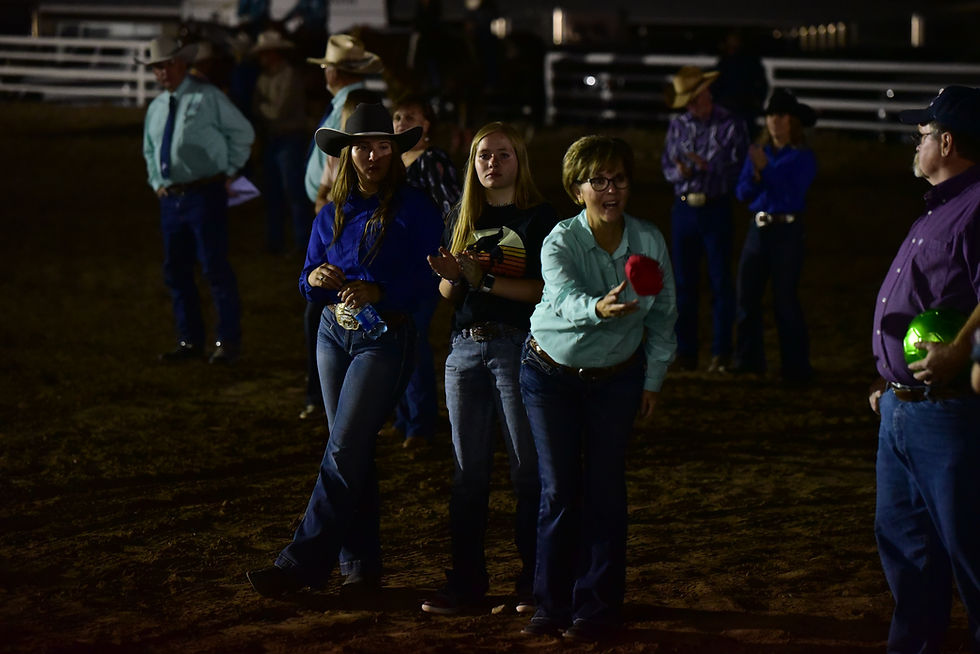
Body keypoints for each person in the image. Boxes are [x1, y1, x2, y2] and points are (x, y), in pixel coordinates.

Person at [247, 103, 443, 597]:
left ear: (396, 151)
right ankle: (359, 567)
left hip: (384, 337)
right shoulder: (332, 213)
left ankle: (301, 562)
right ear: (348, 153)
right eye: (362, 146)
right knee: (351, 452)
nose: (371, 154)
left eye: (381, 145)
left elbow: (429, 279)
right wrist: (312, 278)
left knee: (344, 448)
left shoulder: (417, 208)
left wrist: (381, 291)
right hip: (333, 335)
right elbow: (309, 277)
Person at [519, 135, 677, 642]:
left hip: (617, 377)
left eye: (620, 179)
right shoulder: (560, 241)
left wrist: (652, 379)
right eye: (599, 181)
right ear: (577, 188)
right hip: (550, 375)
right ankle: (550, 604)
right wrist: (596, 309)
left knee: (607, 491)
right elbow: (562, 296)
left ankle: (598, 606)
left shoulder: (649, 241)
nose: (611, 190)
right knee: (560, 489)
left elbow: (666, 317)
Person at [423, 122, 558, 614]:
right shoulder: (462, 214)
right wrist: (453, 276)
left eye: (502, 154)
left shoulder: (539, 218)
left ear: (519, 161)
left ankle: (535, 582)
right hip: (463, 350)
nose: (491, 163)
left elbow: (544, 291)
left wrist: (481, 281)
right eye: (483, 155)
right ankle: (465, 583)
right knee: (467, 475)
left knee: (527, 472)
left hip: (518, 346)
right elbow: (445, 296)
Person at [867, 85, 980, 652]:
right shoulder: (943, 208)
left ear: (949, 141)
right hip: (904, 409)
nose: (917, 143)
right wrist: (890, 380)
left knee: (971, 557)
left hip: (950, 413)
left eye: (923, 134)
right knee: (909, 557)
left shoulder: (976, 207)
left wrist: (960, 351)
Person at [139, 36, 255, 365]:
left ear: (180, 64)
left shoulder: (207, 97)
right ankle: (191, 340)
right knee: (178, 271)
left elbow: (243, 133)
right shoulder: (158, 106)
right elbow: (149, 148)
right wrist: (157, 181)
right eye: (156, 68)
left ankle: (226, 342)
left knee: (213, 268)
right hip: (174, 198)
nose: (160, 73)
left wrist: (229, 169)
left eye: (165, 65)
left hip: (204, 193)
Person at [383, 94, 462, 448]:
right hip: (395, 265)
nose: (400, 122)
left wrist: (446, 256)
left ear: (426, 124)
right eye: (397, 116)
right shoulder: (391, 162)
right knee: (395, 341)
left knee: (411, 340)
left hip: (424, 265)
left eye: (409, 116)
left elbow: (452, 208)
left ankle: (420, 423)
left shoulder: (432, 161)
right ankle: (405, 417)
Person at [661, 65, 748, 373]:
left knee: (719, 281)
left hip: (714, 206)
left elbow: (739, 168)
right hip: (686, 207)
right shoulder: (680, 125)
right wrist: (679, 172)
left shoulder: (730, 124)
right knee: (685, 283)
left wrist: (706, 168)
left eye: (692, 98)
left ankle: (720, 352)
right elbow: (666, 164)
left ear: (704, 94)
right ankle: (689, 351)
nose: (689, 105)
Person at [732, 89, 817, 382]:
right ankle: (748, 360)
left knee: (785, 299)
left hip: (786, 230)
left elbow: (791, 191)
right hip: (761, 226)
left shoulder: (802, 157)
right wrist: (760, 175)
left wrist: (763, 172)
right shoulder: (763, 153)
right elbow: (742, 191)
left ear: (792, 121)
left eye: (779, 115)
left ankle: (795, 367)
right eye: (770, 115)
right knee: (747, 296)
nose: (773, 121)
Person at [304, 34, 384, 208]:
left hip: (339, 204)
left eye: (326, 67)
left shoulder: (350, 108)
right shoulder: (350, 104)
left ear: (334, 72)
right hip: (332, 201)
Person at [251, 30, 311, 254]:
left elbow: (273, 111)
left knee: (292, 192)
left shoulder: (287, 76)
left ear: (273, 53)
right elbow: (267, 109)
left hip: (288, 138)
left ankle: (300, 243)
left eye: (264, 53)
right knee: (276, 191)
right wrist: (266, 109)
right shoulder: (269, 77)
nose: (261, 58)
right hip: (278, 138)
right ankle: (280, 242)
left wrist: (263, 108)